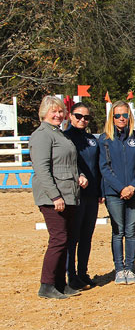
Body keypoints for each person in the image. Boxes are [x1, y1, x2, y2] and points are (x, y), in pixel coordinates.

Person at [30, 96, 81, 299]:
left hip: (68, 193)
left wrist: (80, 177)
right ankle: (47, 284)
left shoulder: (59, 134)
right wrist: (54, 196)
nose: (58, 115)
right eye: (54, 111)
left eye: (60, 111)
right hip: (53, 196)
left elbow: (67, 164)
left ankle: (60, 283)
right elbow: (41, 169)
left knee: (64, 239)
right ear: (44, 113)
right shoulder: (42, 135)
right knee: (58, 239)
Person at [99, 101, 135, 285]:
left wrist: (132, 187)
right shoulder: (105, 139)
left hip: (134, 191)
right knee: (118, 231)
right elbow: (104, 168)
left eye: (125, 115)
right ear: (112, 118)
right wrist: (120, 188)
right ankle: (119, 269)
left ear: (130, 117)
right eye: (118, 115)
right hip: (114, 193)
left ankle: (130, 268)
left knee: (131, 231)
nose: (122, 119)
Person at [64, 102, 102, 290]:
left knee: (87, 236)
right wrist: (78, 174)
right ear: (70, 116)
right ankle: (71, 275)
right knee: (74, 236)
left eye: (86, 117)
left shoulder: (92, 140)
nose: (82, 120)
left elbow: (98, 166)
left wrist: (100, 191)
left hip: (92, 194)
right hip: (75, 194)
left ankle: (82, 272)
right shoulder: (65, 138)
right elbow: (65, 164)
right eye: (78, 116)